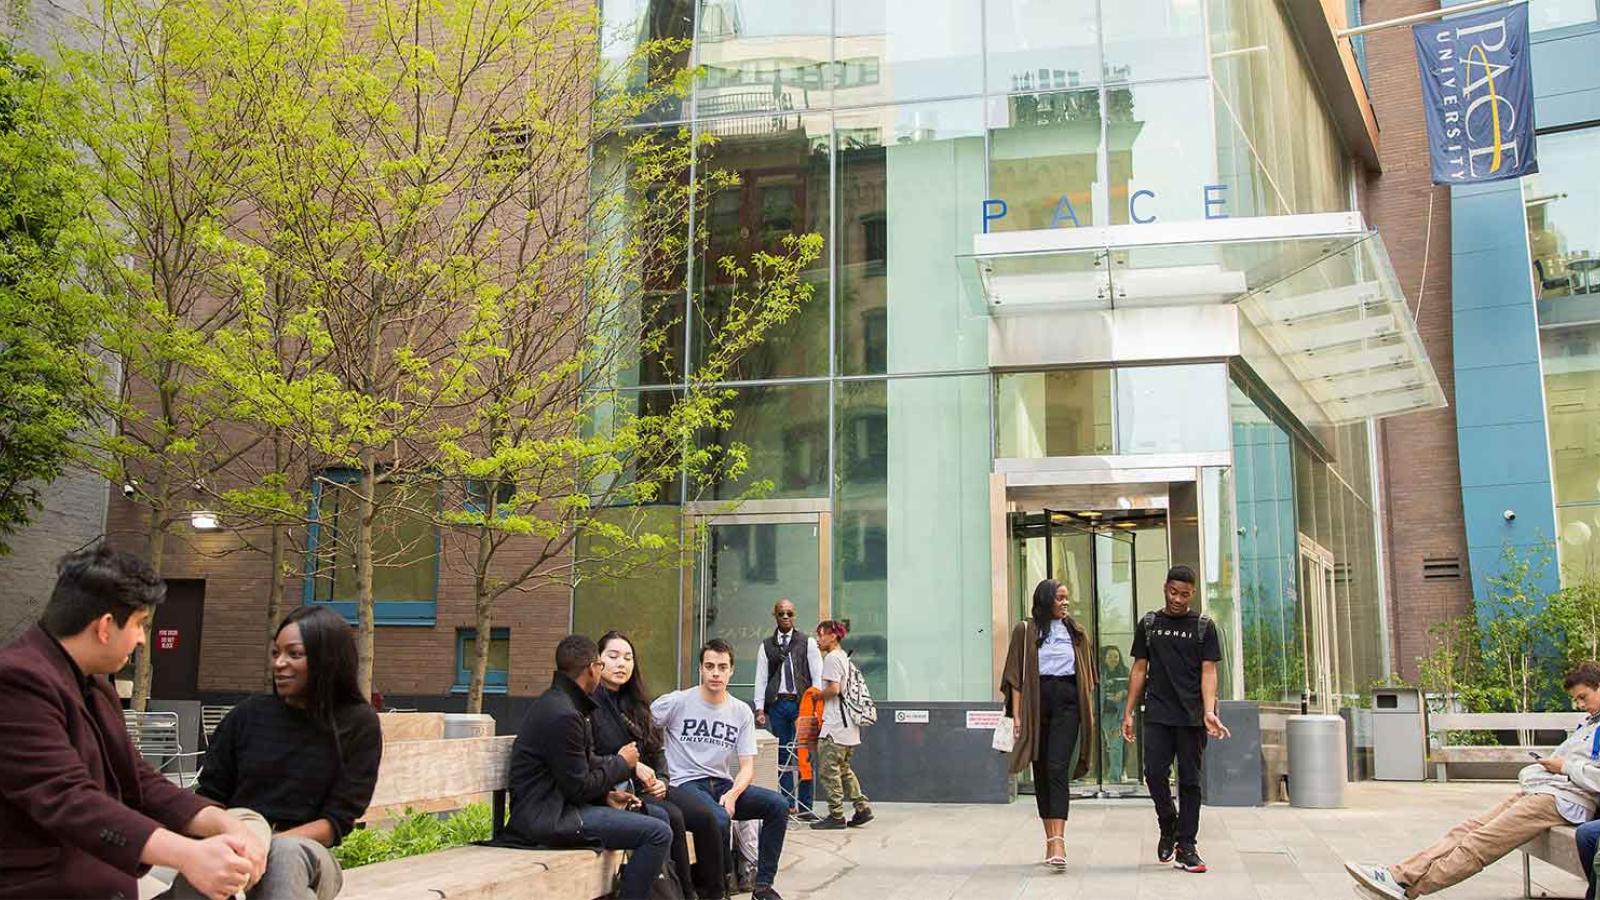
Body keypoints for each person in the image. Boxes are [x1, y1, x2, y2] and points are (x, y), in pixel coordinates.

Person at [0, 545, 267, 899]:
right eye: (141, 624)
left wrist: (218, 821)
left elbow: (136, 778)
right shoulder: (16, 680)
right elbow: (69, 799)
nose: (143, 639)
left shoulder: (93, 682)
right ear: (106, 627)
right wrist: (188, 854)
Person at [161, 605, 383, 899]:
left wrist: (262, 847)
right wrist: (237, 846)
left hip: (307, 855)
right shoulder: (246, 716)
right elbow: (211, 797)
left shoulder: (358, 723)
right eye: (276, 653)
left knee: (285, 854)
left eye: (294, 654)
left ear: (327, 659)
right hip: (238, 842)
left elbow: (335, 823)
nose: (279, 663)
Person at [1347, 662, 1600, 899]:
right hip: (1545, 791)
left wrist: (1564, 767)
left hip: (1564, 800)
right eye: (1576, 699)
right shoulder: (1589, 724)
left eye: (1583, 697)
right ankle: (1398, 875)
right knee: (1468, 828)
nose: (1579, 704)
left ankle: (1408, 889)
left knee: (1480, 842)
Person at [508, 634, 673, 900]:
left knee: (656, 818)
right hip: (548, 818)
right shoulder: (564, 714)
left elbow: (578, 766)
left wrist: (607, 793)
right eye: (600, 664)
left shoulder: (563, 703)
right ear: (591, 669)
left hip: (557, 807)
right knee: (657, 833)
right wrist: (622, 764)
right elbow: (579, 788)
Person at [653, 639, 789, 900]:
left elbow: (747, 767)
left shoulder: (740, 712)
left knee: (778, 806)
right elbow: (641, 725)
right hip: (686, 785)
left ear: (731, 671)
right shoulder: (678, 702)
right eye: (710, 666)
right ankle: (721, 888)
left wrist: (733, 794)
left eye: (722, 667)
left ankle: (762, 887)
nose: (716, 673)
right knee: (718, 817)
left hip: (723, 784)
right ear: (701, 670)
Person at [1122, 564, 1230, 875]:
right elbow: (1139, 669)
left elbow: (1209, 671)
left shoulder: (1204, 627)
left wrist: (1209, 710)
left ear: (1192, 593)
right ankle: (1168, 823)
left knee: (1190, 782)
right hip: (1157, 713)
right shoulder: (1150, 624)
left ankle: (1187, 846)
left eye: (1184, 594)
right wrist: (1128, 711)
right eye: (1173, 592)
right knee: (1154, 774)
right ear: (1164, 587)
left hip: (1192, 716)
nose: (1178, 599)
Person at [591, 630, 701, 899]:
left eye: (628, 657)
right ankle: (673, 893)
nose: (621, 664)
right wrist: (631, 767)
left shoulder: (636, 702)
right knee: (668, 817)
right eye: (613, 656)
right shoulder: (591, 703)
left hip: (645, 789)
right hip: (610, 791)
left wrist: (662, 780)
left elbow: (655, 747)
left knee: (701, 816)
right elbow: (590, 755)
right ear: (598, 661)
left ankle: (687, 891)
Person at [999, 578, 1097, 871]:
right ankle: (1049, 838)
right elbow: (1015, 677)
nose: (1065, 603)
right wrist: (1017, 715)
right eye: (1060, 598)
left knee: (1056, 766)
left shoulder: (1076, 632)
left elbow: (1087, 676)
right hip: (1036, 704)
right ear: (1045, 600)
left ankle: (1059, 841)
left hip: (1068, 703)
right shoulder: (1025, 630)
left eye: (1067, 598)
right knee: (1040, 769)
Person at [752, 598, 823, 819]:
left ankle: (805, 806)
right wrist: (759, 708)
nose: (785, 617)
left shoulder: (807, 642)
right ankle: (786, 804)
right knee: (781, 754)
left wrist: (817, 705)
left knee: (805, 753)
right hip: (778, 704)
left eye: (789, 613)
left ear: (795, 616)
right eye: (781, 613)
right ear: (775, 615)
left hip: (803, 704)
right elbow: (761, 678)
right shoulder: (766, 646)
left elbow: (818, 676)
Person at [808, 620, 872, 831]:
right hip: (849, 728)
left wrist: (818, 695)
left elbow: (834, 689)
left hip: (835, 727)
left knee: (829, 771)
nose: (819, 639)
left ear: (832, 636)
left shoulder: (832, 659)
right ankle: (861, 807)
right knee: (844, 769)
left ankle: (836, 815)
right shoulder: (844, 657)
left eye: (821, 635)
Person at [1101, 646, 1131, 784]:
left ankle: (1115, 777)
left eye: (1116, 656)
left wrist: (1123, 693)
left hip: (1118, 715)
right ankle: (1109, 774)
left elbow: (1132, 690)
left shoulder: (1125, 672)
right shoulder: (1100, 673)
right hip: (1103, 714)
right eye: (1110, 656)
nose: (1113, 659)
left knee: (1116, 746)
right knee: (1107, 745)